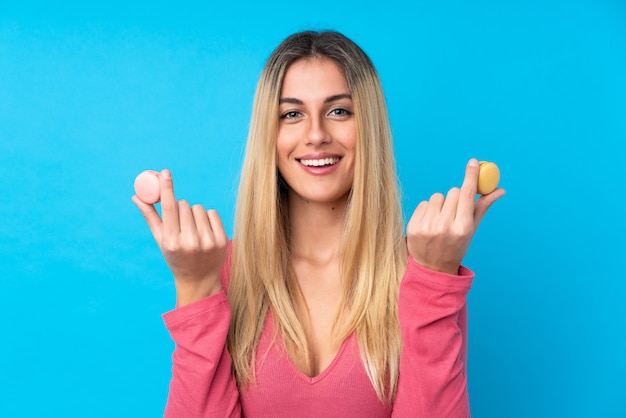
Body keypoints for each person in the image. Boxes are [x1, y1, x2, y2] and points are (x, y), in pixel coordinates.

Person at [132, 30, 505, 417]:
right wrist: (195, 287)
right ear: (269, 134)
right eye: (291, 114)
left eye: (339, 111)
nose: (315, 135)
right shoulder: (216, 270)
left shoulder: (423, 269)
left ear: (369, 127)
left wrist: (434, 279)